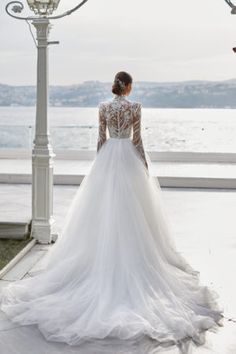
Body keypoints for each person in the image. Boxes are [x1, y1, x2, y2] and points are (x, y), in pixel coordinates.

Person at [0, 71, 223, 347]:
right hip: (128, 158)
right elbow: (138, 141)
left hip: (108, 160)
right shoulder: (135, 107)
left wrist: (99, 168)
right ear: (127, 87)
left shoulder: (104, 107)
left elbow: (101, 140)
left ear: (115, 87)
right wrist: (144, 166)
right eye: (131, 84)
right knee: (134, 215)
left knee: (104, 213)